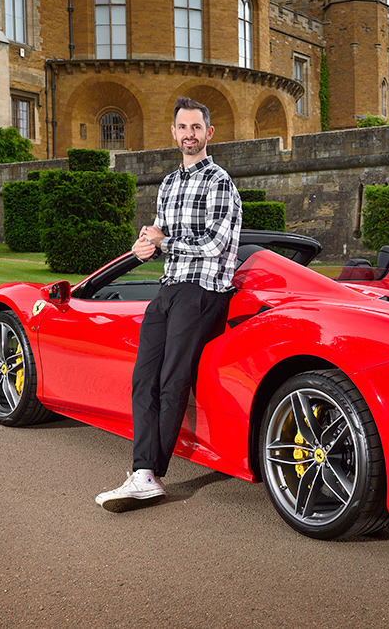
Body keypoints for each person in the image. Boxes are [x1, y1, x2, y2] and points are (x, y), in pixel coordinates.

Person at [96, 96, 242, 512]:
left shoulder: (220, 182)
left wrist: (166, 242)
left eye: (197, 127)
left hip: (203, 292)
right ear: (174, 133)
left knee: (171, 381)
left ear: (209, 133)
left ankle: (149, 473)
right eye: (183, 127)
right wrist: (146, 247)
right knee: (143, 380)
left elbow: (216, 246)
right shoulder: (169, 184)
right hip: (169, 288)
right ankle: (142, 472)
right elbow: (160, 239)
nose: (190, 134)